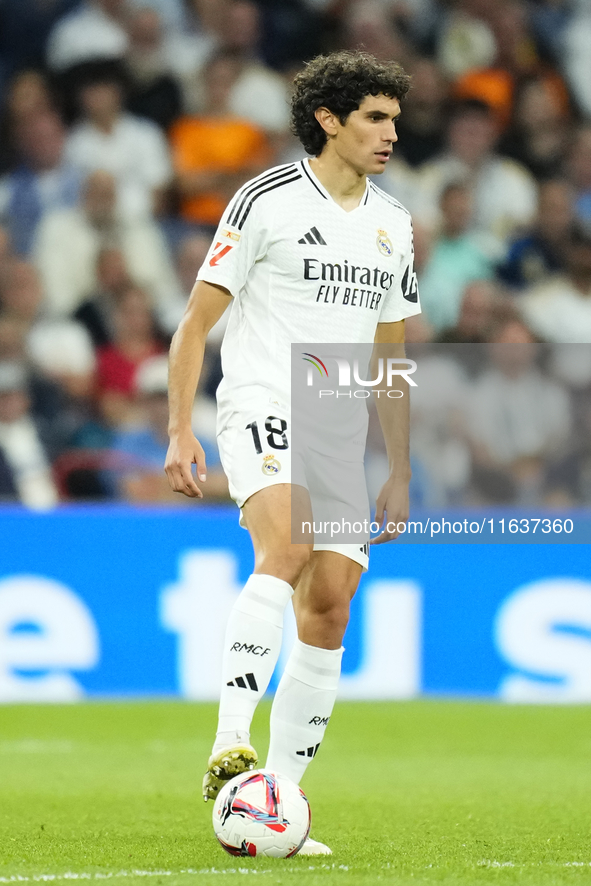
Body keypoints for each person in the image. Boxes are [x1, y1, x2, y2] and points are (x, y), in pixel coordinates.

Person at [165, 51, 421, 855]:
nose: (390, 132)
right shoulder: (265, 200)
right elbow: (194, 325)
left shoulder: (393, 225)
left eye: (394, 118)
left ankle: (277, 794)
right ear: (328, 119)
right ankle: (228, 746)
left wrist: (400, 470)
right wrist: (179, 427)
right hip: (264, 400)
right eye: (374, 117)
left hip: (338, 425)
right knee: (290, 544)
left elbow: (390, 356)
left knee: (330, 606)